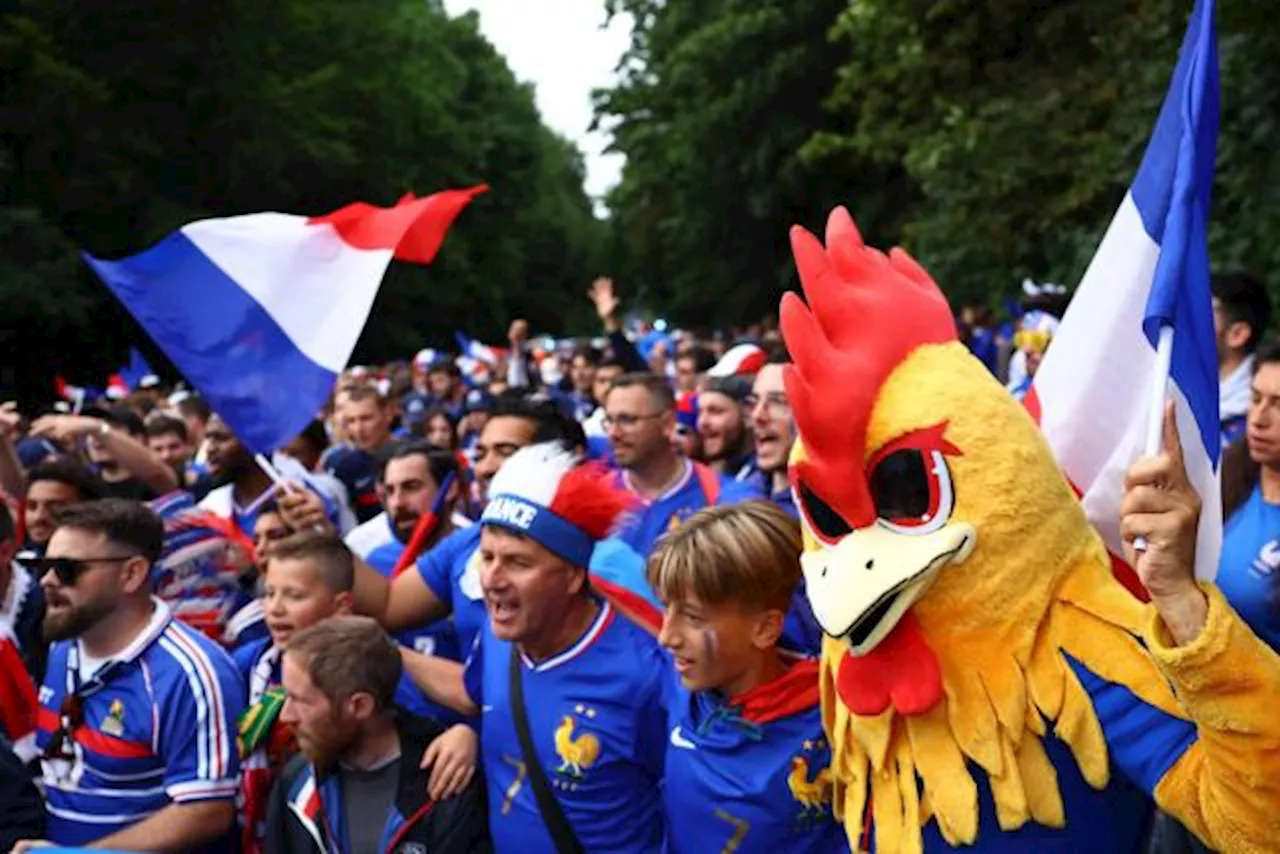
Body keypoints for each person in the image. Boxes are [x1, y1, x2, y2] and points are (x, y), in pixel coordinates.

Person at [400, 442, 668, 854]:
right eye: (486, 557)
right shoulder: (499, 633)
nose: (491, 578)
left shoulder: (646, 674)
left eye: (518, 562)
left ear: (574, 577)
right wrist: (466, 733)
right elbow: (477, 697)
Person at [20, 499, 243, 852]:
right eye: (41, 565)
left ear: (132, 574)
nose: (47, 581)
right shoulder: (64, 648)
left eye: (66, 568)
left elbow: (207, 810)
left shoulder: (192, 674)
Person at [650, 502, 848, 854]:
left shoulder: (838, 725)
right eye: (667, 608)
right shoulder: (680, 679)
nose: (667, 637)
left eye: (693, 618)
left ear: (765, 628)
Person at [267, 617, 489, 854]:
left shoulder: (446, 784)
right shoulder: (298, 783)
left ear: (360, 706)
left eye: (301, 701)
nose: (285, 716)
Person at [603, 372, 760, 558]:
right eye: (609, 421)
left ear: (668, 423)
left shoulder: (726, 498)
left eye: (627, 420)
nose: (614, 433)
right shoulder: (593, 496)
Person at [321, 384, 396, 524]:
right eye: (351, 421)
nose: (358, 429)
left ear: (387, 414)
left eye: (366, 418)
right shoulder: (344, 467)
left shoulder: (416, 453)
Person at [1213, 272, 1272, 448]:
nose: (1186, 324)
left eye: (1201, 313)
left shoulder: (1261, 423)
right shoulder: (1171, 396)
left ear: (1237, 334)